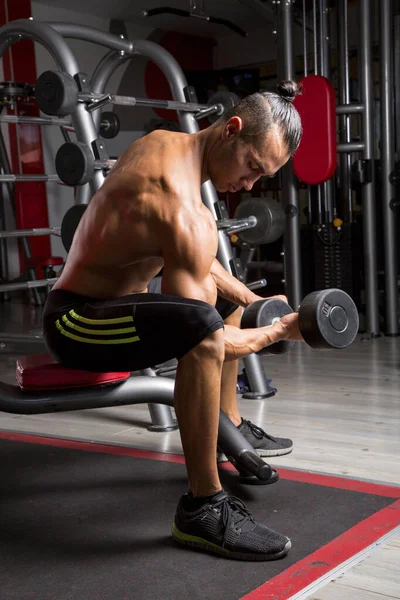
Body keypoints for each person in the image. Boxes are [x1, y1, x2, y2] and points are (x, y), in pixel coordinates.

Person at [43, 80, 303, 561]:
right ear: (232, 129)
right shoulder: (178, 203)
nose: (248, 185)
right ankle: (203, 508)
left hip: (114, 308)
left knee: (225, 304)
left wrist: (256, 299)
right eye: (250, 168)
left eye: (261, 176)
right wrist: (280, 331)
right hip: (76, 321)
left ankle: (230, 427)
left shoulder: (168, 145)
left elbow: (200, 259)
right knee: (203, 327)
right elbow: (206, 337)